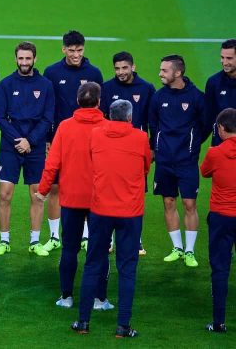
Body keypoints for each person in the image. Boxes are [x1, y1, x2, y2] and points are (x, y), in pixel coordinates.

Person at [71, 99, 151, 338]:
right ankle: (122, 326)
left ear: (109, 114)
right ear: (129, 118)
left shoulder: (96, 135)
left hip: (101, 210)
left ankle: (83, 322)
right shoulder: (140, 138)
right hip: (130, 212)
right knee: (127, 269)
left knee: (92, 264)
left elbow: (93, 160)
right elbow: (146, 166)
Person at [36, 82, 113, 309]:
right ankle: (100, 299)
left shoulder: (65, 127)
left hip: (71, 198)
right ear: (99, 102)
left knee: (70, 247)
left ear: (77, 101)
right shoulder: (109, 127)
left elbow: (52, 163)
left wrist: (42, 190)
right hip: (100, 200)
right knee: (99, 248)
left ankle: (67, 297)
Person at [43, 30, 103, 252]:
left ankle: (86, 236)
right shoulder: (51, 72)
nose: (76, 54)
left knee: (89, 184)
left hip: (90, 140)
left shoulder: (94, 73)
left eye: (79, 50)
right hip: (62, 139)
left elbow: (100, 108)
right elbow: (48, 108)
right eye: (71, 50)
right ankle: (53, 236)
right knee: (56, 187)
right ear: (63, 49)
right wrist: (49, 138)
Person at [0, 41, 54, 256]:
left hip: (35, 149)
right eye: (21, 58)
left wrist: (30, 141)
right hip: (10, 147)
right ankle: (4, 241)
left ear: (35, 59)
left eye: (28, 58)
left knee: (37, 195)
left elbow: (48, 119)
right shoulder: (6, 84)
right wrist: (19, 140)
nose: (24, 62)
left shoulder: (45, 85)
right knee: (4, 195)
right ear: (16, 59)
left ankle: (35, 242)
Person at [149, 55, 208, 267]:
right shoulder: (158, 97)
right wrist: (157, 147)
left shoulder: (196, 97)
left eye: (164, 71)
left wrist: (191, 146)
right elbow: (153, 125)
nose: (160, 74)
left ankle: (190, 251)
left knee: (189, 203)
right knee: (168, 202)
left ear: (178, 73)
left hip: (186, 161)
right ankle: (177, 247)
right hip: (165, 160)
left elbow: (205, 125)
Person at [101, 51, 155, 255]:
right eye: (117, 68)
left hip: (135, 150)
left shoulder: (147, 88)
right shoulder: (107, 88)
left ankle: (136, 239)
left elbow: (153, 121)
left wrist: (151, 147)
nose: (120, 72)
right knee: (110, 192)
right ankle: (109, 239)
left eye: (124, 68)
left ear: (133, 67)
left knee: (136, 194)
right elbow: (103, 119)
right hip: (111, 150)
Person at [201, 108, 236, 333]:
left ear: (221, 129)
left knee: (220, 268)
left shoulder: (215, 153)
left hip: (221, 218)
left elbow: (204, 172)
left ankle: (218, 322)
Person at [205, 39, 236, 146]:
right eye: (222, 57)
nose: (224, 62)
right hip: (220, 146)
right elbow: (208, 117)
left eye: (229, 58)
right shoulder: (213, 82)